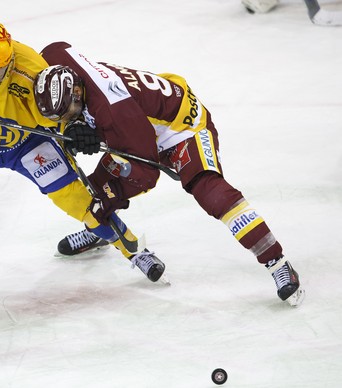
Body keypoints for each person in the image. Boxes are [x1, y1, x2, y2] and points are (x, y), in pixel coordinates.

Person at [0, 22, 166, 284]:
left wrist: (76, 128)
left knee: (81, 201)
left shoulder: (32, 65)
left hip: (29, 140)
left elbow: (62, 105)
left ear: (11, 55)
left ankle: (135, 252)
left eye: (3, 68)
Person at [33, 41, 304, 306]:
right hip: (143, 123)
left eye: (67, 113)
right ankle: (102, 230)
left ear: (78, 94)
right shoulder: (62, 69)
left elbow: (146, 175)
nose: (65, 120)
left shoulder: (114, 115)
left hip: (183, 128)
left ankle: (277, 262)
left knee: (210, 192)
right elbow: (54, 48)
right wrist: (72, 127)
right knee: (93, 190)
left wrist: (110, 187)